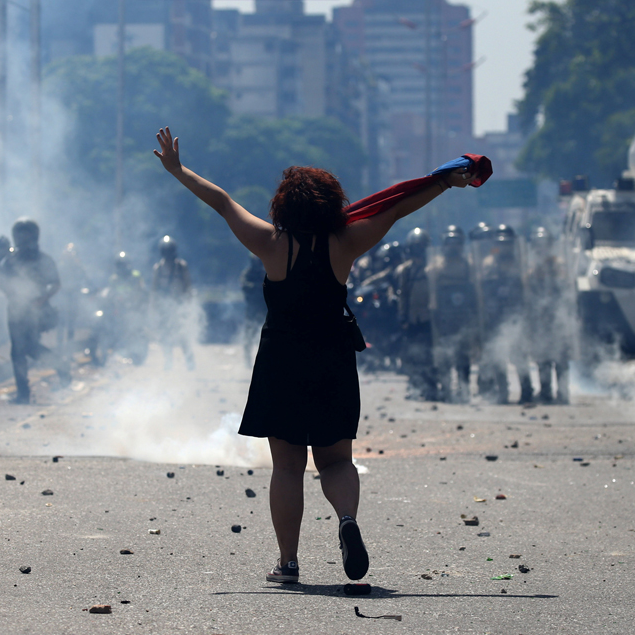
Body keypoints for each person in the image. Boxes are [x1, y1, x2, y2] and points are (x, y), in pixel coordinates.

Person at [154, 126, 473, 584]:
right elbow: (398, 207)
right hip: (332, 358)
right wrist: (444, 182)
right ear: (331, 205)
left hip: (281, 359)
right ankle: (346, 519)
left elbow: (223, 202)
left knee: (287, 466)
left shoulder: (268, 243)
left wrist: (178, 169)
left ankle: (288, 563)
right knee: (337, 461)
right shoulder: (345, 244)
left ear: (283, 206)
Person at [0, 218, 70, 404]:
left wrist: (42, 300)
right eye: (19, 234)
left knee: (29, 347)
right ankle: (23, 394)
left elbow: (56, 284)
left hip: (36, 311)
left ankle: (60, 367)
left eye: (26, 234)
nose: (22, 238)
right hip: (15, 310)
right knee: (17, 353)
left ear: (34, 235)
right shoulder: (11, 260)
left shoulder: (44, 259)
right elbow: (4, 286)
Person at [475, 224, 532, 404]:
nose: (505, 247)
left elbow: (527, 291)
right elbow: (481, 291)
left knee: (519, 357)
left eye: (508, 243)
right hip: (494, 317)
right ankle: (502, 392)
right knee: (497, 358)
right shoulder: (488, 264)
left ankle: (527, 391)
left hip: (515, 316)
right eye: (501, 243)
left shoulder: (521, 263)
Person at [429, 225, 477, 403]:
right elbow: (432, 293)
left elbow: (474, 292)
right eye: (450, 243)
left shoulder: (468, 265)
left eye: (457, 243)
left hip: (463, 317)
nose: (453, 247)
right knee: (444, 356)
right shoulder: (437, 266)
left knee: (463, 356)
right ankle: (447, 391)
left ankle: (464, 391)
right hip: (443, 317)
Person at [526, 228, 570, 404]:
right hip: (540, 319)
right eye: (538, 245)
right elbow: (528, 293)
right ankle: (545, 392)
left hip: (557, 317)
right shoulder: (532, 269)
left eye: (543, 245)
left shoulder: (558, 265)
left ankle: (563, 392)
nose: (541, 249)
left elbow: (565, 290)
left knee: (560, 358)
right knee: (542, 357)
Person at [394, 227, 438, 401]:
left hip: (429, 319)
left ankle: (431, 388)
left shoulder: (433, 268)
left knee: (429, 355)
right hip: (413, 319)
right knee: (412, 355)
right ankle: (415, 386)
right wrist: (402, 316)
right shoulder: (406, 270)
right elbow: (402, 295)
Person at [150, 235, 195, 371]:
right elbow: (154, 290)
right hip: (165, 309)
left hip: (179, 307)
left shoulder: (181, 267)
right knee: (166, 337)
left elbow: (188, 288)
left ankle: (189, 362)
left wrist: (188, 307)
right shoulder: (158, 268)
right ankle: (168, 361)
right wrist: (155, 308)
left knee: (183, 336)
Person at [108, 251, 149, 365]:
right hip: (121, 309)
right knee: (121, 330)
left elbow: (142, 291)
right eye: (120, 265)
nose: (122, 267)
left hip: (135, 308)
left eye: (123, 264)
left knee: (137, 330)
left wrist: (139, 303)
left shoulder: (136, 275)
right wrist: (116, 300)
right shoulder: (114, 278)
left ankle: (139, 352)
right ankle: (124, 352)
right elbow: (111, 293)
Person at [240, 254, 267, 367]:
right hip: (252, 308)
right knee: (248, 335)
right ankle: (247, 360)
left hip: (264, 308)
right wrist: (256, 287)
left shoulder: (266, 272)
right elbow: (244, 285)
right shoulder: (248, 273)